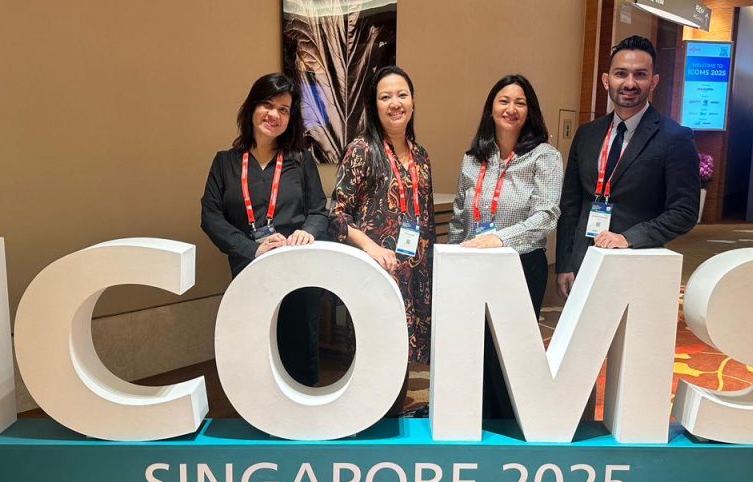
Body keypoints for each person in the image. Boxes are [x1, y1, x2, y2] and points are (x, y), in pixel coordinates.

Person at [201, 73, 328, 387]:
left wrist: (307, 232)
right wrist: (252, 248)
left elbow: (318, 210)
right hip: (249, 267)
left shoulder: (301, 161)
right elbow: (211, 216)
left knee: (298, 345)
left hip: (297, 269)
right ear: (252, 107)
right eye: (268, 105)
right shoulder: (225, 163)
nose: (275, 114)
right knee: (254, 346)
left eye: (284, 109)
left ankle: (303, 408)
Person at [449, 74, 562, 419]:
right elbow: (460, 216)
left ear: (530, 111)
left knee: (510, 352)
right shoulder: (473, 159)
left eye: (520, 102)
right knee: (476, 346)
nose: (511, 108)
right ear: (491, 108)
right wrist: (453, 261)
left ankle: (511, 424)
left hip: (521, 266)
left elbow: (546, 215)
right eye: (504, 101)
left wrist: (501, 238)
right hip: (474, 268)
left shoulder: (544, 157)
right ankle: (477, 419)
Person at [556, 35, 700, 301]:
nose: (630, 83)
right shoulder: (587, 134)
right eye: (621, 73)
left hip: (636, 259)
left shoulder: (675, 138)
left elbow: (684, 211)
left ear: (653, 81)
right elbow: (571, 204)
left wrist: (629, 238)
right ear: (606, 80)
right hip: (583, 259)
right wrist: (564, 263)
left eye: (640, 75)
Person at [330, 65, 434, 410]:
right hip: (375, 272)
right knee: (374, 358)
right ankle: (367, 428)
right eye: (385, 96)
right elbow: (337, 216)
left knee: (401, 361)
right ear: (374, 105)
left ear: (413, 102)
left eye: (402, 95)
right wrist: (371, 247)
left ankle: (392, 428)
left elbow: (425, 221)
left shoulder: (421, 156)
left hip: (413, 277)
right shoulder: (362, 149)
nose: (395, 103)